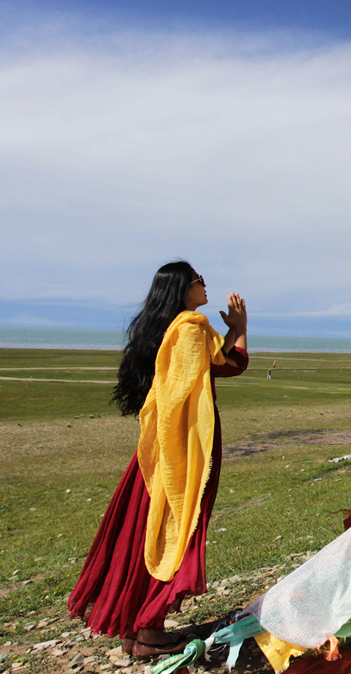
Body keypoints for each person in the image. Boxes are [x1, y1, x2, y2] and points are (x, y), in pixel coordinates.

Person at [68, 260, 248, 658]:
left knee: (145, 529)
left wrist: (234, 329)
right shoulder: (189, 329)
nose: (205, 285)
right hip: (182, 451)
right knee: (174, 529)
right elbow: (233, 365)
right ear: (184, 289)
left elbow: (219, 365)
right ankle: (148, 631)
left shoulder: (172, 329)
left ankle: (135, 628)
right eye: (199, 280)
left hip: (160, 452)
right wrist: (240, 327)